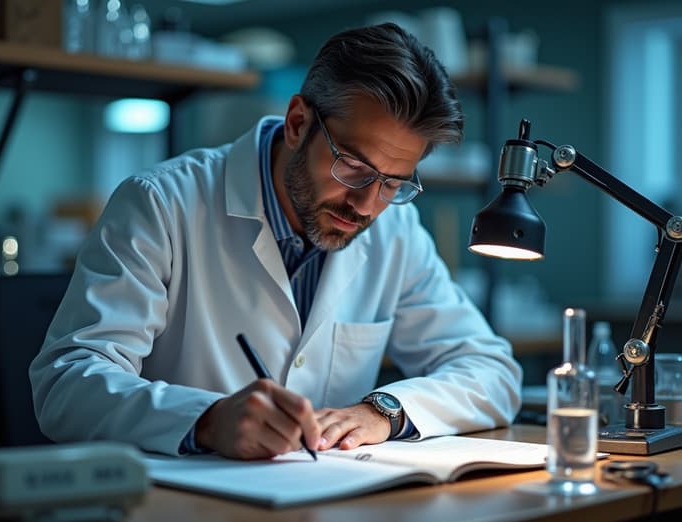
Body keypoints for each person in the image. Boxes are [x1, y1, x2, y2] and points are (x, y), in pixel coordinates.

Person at [30, 23, 522, 459]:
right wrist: (205, 420)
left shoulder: (396, 232)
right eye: (353, 168)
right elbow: (66, 383)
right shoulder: (162, 203)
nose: (368, 205)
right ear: (298, 123)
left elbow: (492, 371)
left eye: (393, 183)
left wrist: (386, 410)